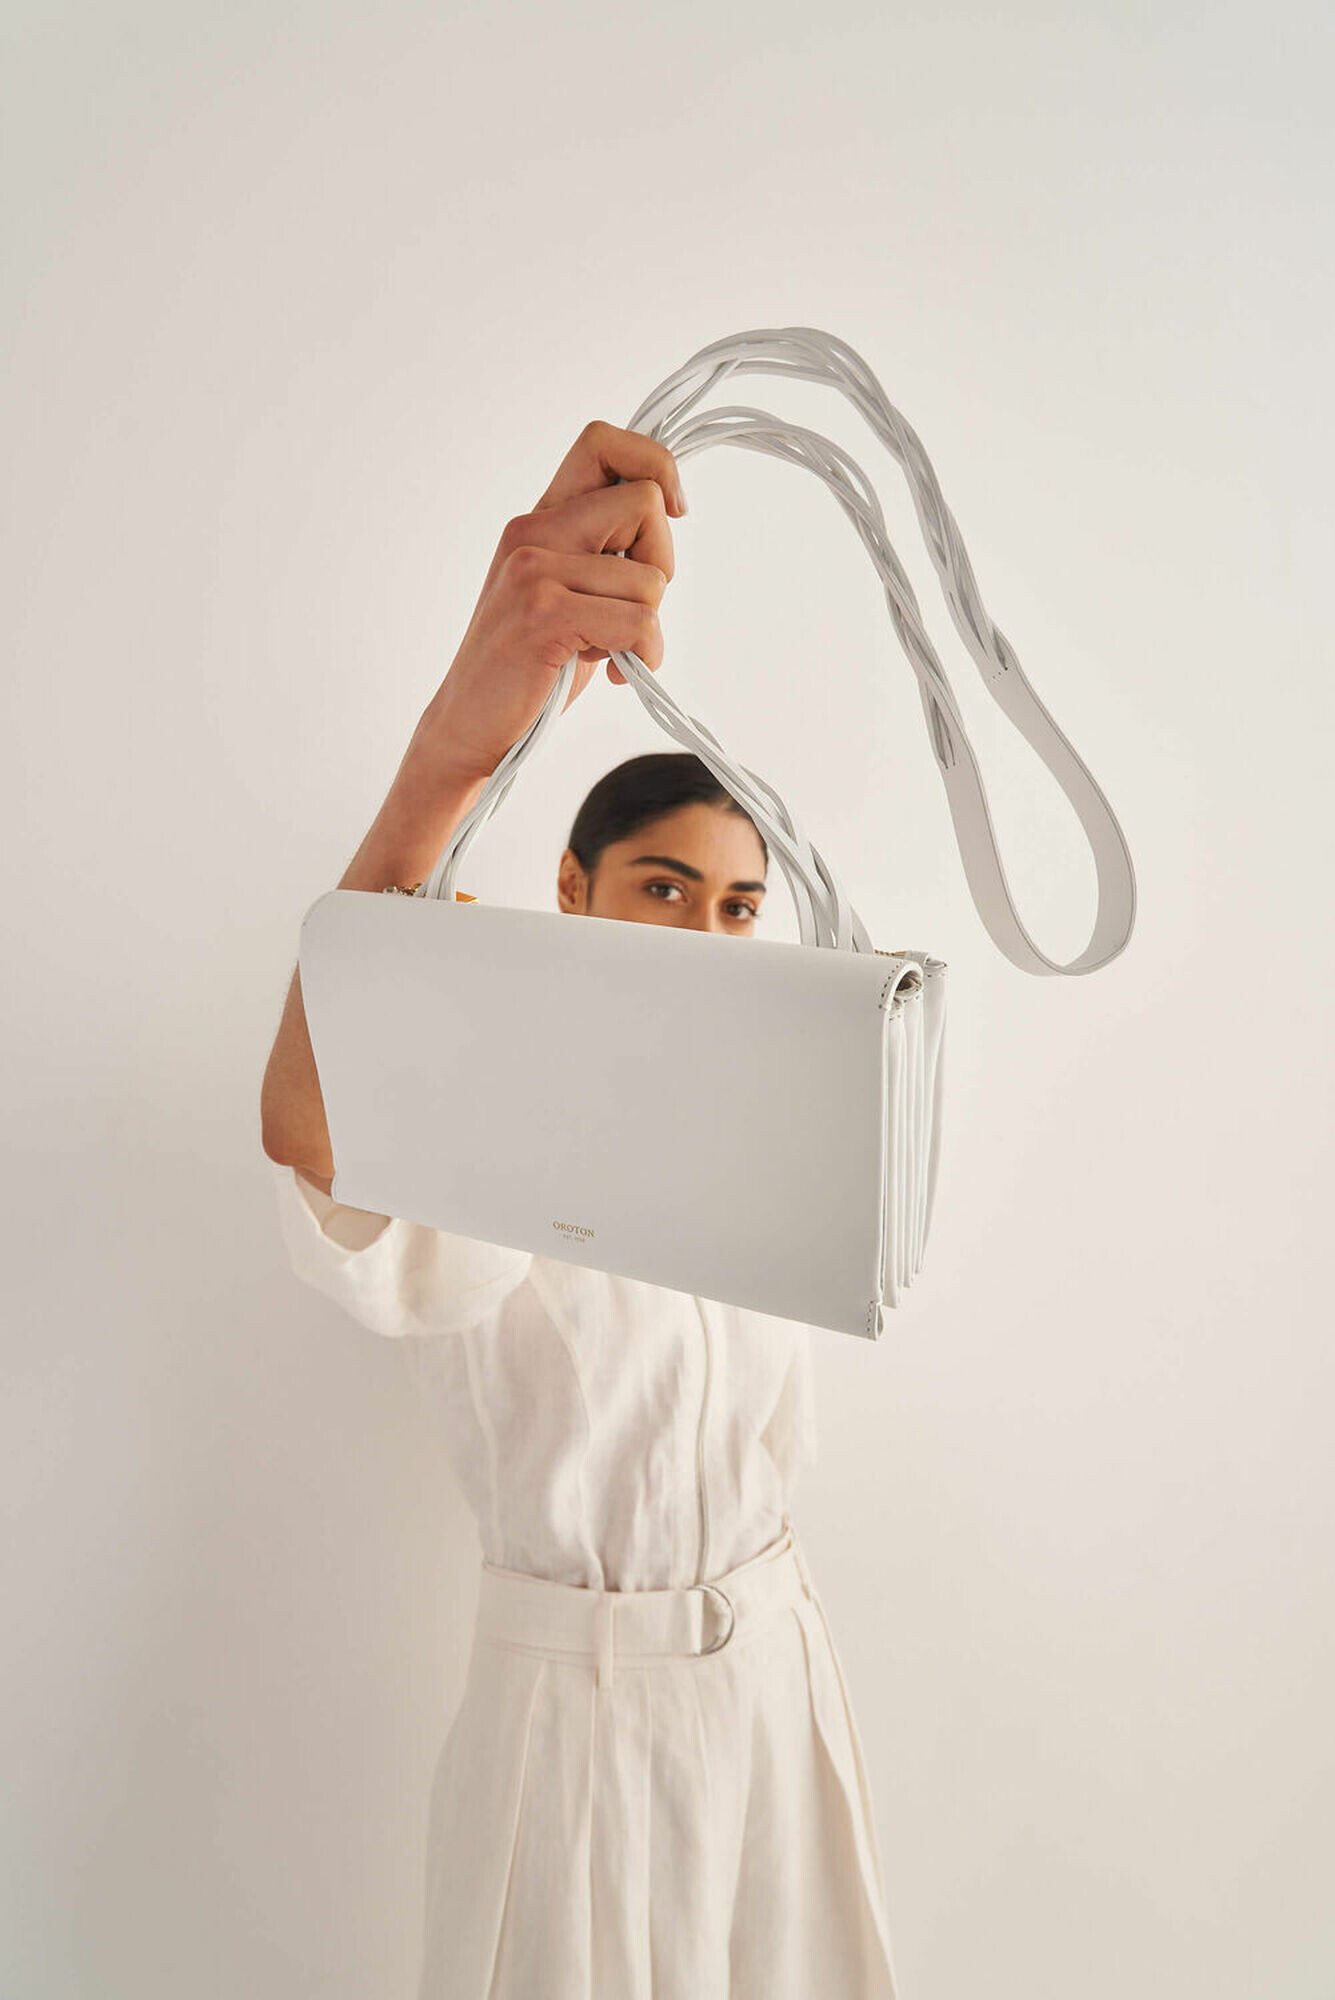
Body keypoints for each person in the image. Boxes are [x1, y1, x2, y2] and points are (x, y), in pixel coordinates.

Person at [259, 423, 901, 1999]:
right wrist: (452, 753)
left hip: (777, 1674)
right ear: (575, 887)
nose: (704, 931)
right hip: (579, 1715)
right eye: (664, 888)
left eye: (736, 906)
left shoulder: (765, 1130)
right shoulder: (490, 1091)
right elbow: (313, 1132)